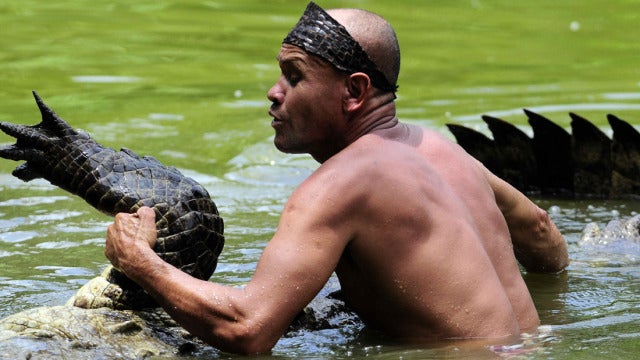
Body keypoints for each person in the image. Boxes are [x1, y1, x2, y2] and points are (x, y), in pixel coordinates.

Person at [105, 2, 569, 355]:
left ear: (354, 91)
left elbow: (248, 329)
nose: (273, 92)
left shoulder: (338, 185)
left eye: (295, 76)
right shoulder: (445, 151)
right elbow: (544, 237)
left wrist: (140, 261)